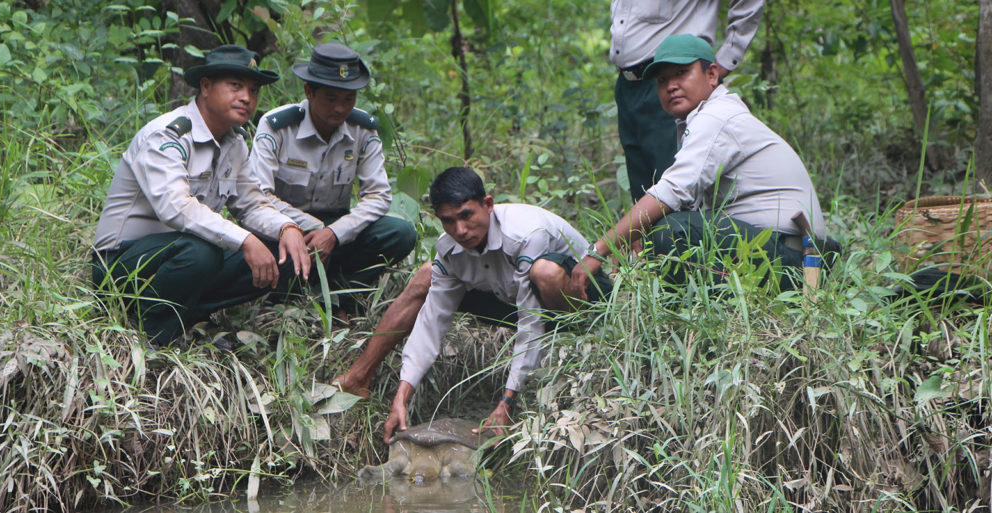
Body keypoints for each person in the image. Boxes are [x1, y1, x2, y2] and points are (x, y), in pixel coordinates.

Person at [334, 167, 610, 441]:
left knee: (544, 272)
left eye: (466, 215)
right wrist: (402, 395)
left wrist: (506, 403)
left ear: (488, 204)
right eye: (449, 221)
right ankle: (359, 379)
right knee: (427, 275)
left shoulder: (525, 234)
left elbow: (531, 321)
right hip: (513, 299)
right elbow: (431, 324)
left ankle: (573, 346)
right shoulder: (450, 249)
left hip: (584, 301)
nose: (461, 230)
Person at [572, 34, 827, 294]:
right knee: (661, 234)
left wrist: (599, 250)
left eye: (682, 73)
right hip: (781, 252)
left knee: (671, 232)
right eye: (662, 80)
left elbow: (672, 191)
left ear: (712, 74)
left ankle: (690, 318)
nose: (671, 85)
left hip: (796, 260)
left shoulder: (717, 116)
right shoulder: (704, 118)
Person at [91, 45, 312, 347]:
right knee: (202, 251)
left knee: (280, 253)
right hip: (121, 266)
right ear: (206, 86)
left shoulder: (234, 144)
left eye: (253, 89)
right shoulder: (167, 135)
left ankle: (187, 315)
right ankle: (149, 332)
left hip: (182, 259)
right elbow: (176, 208)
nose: (247, 97)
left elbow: (251, 204)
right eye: (235, 85)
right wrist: (245, 240)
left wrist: (287, 227)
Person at [250, 43, 417, 318]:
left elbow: (379, 195)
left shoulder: (363, 129)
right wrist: (312, 228)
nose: (340, 108)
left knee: (400, 234)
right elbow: (260, 194)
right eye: (330, 98)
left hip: (339, 229)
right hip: (286, 228)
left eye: (349, 98)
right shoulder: (277, 126)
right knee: (271, 260)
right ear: (309, 92)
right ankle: (286, 298)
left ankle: (342, 295)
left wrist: (335, 233)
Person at [611, 0, 764, 202]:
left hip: (675, 79)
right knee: (642, 187)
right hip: (629, 84)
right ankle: (647, 235)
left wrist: (728, 58)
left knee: (674, 189)